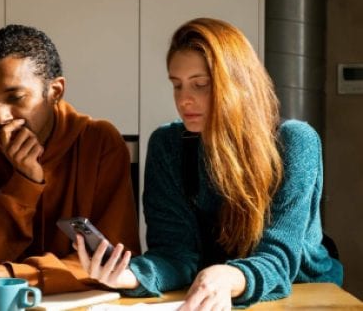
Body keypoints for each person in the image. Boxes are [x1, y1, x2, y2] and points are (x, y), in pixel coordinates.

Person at [75, 17, 343, 310]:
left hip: (305, 292)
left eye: (200, 85)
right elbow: (175, 254)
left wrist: (228, 276)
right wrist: (131, 276)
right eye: (177, 85)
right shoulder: (167, 145)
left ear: (238, 83)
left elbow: (278, 262)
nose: (184, 100)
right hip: (215, 292)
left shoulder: (294, 142)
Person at [0, 24, 140, 307]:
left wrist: (15, 276)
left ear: (55, 91)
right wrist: (24, 185)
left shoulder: (100, 142)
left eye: (15, 98)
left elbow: (116, 263)